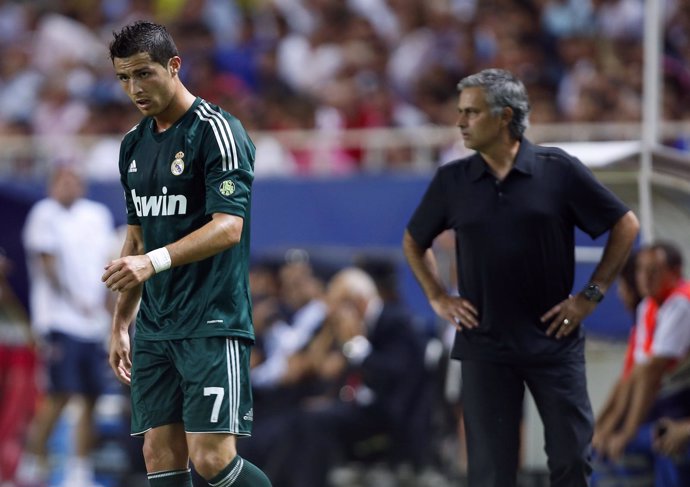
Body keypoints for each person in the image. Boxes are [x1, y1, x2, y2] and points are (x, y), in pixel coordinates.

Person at [402, 68, 640, 487]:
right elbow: (413, 240)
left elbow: (625, 224)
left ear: (504, 117)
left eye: (471, 113)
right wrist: (438, 296)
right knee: (490, 474)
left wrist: (591, 295)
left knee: (570, 462)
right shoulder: (452, 180)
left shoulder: (558, 170)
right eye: (460, 112)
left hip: (554, 340)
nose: (460, 122)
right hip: (485, 342)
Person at [101, 21, 271, 487]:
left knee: (212, 458)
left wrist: (152, 262)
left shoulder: (217, 131)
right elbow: (136, 242)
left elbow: (228, 227)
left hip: (212, 322)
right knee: (158, 454)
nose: (134, 88)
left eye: (143, 74)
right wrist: (120, 323)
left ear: (174, 65)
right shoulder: (133, 145)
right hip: (155, 326)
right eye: (123, 78)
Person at [17, 164, 115, 487]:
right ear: (51, 186)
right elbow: (48, 266)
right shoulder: (43, 214)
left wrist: (106, 306)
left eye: (75, 181)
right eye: (62, 181)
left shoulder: (97, 215)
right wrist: (77, 302)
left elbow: (108, 261)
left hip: (94, 324)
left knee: (91, 398)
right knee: (59, 394)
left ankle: (79, 470)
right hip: (59, 321)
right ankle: (32, 464)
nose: (69, 186)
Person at [596, 241, 690, 486]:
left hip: (676, 417)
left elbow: (649, 372)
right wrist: (603, 427)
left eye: (653, 271)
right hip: (671, 416)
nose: (645, 278)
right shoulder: (649, 308)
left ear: (675, 272)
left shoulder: (681, 304)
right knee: (601, 450)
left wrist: (625, 432)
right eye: (640, 270)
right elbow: (633, 375)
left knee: (662, 443)